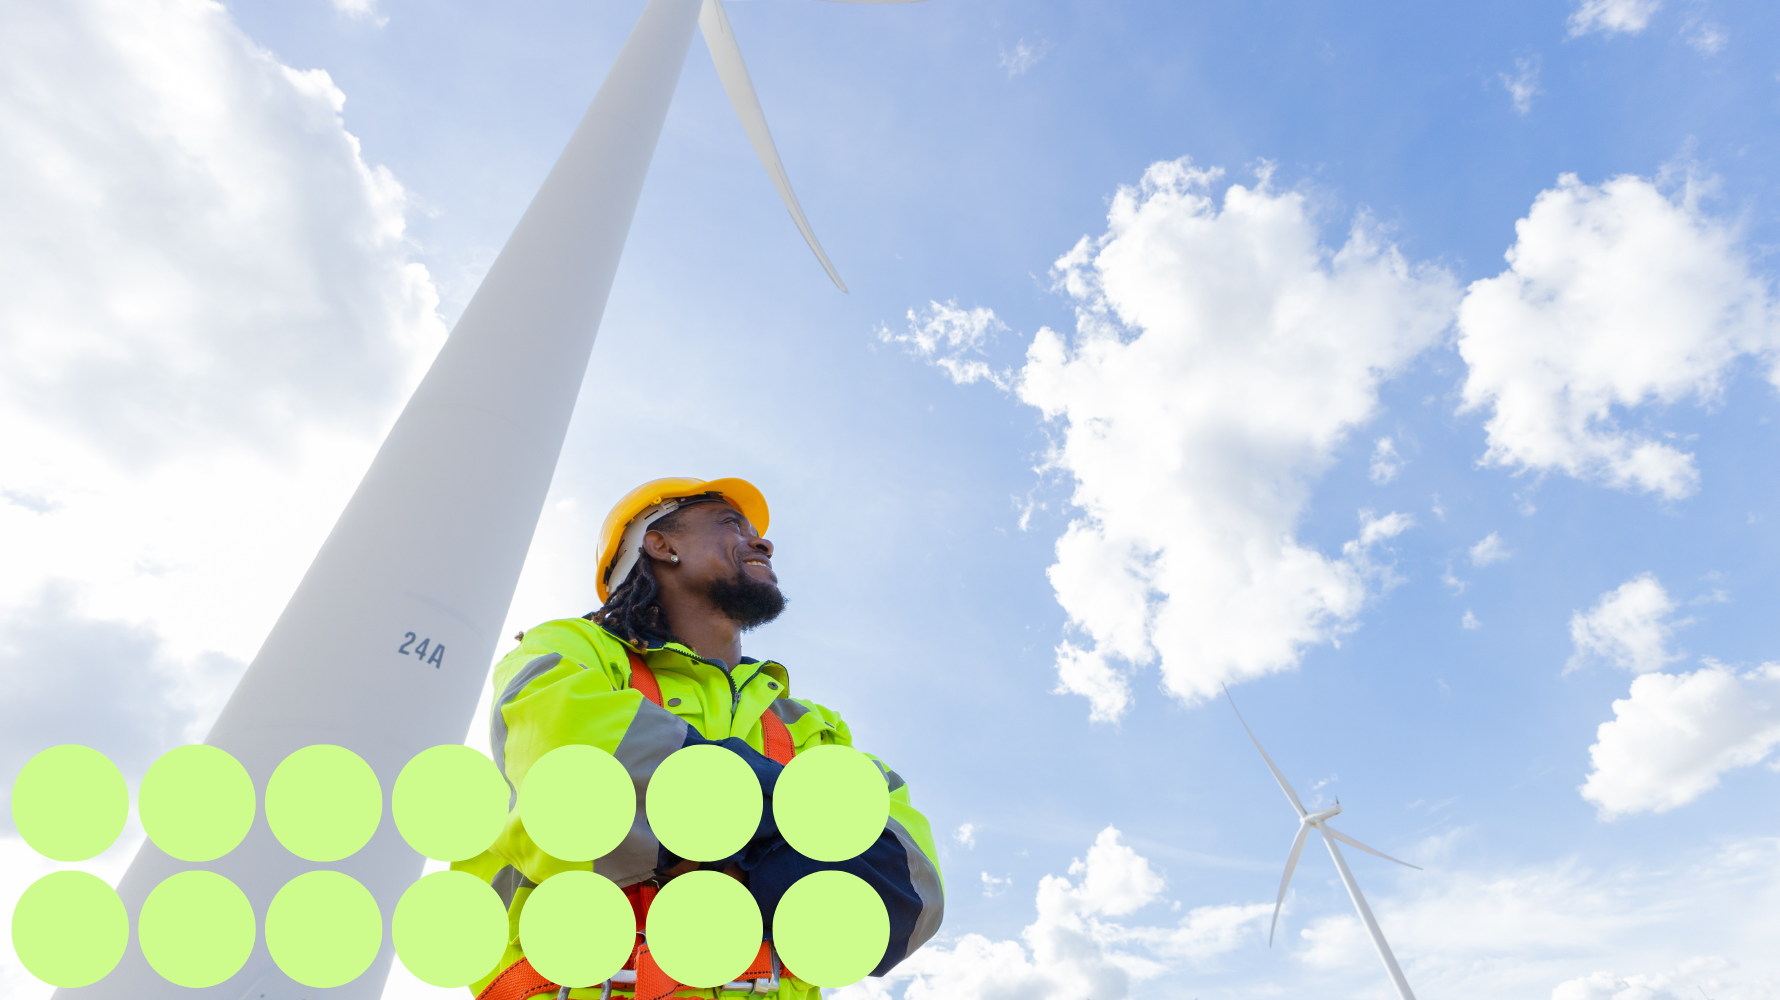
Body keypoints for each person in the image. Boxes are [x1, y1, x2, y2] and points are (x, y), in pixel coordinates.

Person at [456, 477, 944, 1000]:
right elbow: (579, 783)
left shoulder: (811, 722)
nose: (763, 542)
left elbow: (906, 898)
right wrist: (799, 841)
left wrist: (705, 828)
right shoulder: (569, 651)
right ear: (662, 545)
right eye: (732, 524)